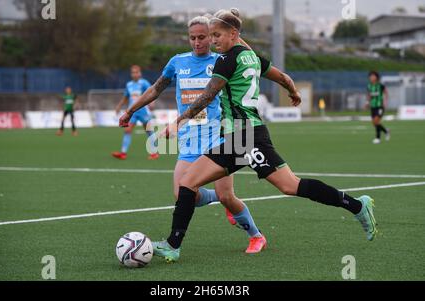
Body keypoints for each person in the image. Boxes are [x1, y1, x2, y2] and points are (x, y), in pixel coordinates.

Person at [120, 8, 378, 263]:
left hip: (249, 137)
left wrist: (178, 121)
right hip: (234, 139)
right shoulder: (253, 57)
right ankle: (173, 245)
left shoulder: (225, 60)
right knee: (188, 183)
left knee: (290, 186)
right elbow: (284, 76)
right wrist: (293, 91)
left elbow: (209, 95)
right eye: (210, 35)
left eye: (216, 35)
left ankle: (356, 205)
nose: (212, 40)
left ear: (232, 34)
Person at [119, 16, 267, 254]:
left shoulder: (223, 60)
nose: (197, 42)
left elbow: (253, 60)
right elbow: (156, 88)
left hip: (221, 137)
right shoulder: (178, 62)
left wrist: (235, 32)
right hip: (190, 140)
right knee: (182, 194)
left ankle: (256, 236)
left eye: (202, 37)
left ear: (212, 36)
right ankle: (215, 200)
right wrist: (130, 110)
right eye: (193, 38)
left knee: (227, 196)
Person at [112, 65, 159, 160]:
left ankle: (154, 153)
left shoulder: (144, 83)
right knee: (127, 130)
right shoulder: (129, 84)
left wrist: (152, 103)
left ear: (140, 73)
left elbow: (152, 92)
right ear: (131, 74)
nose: (135, 74)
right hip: (132, 112)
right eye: (133, 72)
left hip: (143, 111)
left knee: (149, 131)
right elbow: (126, 97)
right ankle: (123, 153)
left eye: (137, 72)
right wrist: (119, 106)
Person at [367, 71, 390, 144]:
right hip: (373, 106)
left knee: (376, 121)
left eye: (373, 76)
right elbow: (369, 95)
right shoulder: (369, 86)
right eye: (370, 76)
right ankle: (386, 131)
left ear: (376, 77)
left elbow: (386, 93)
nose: (371, 77)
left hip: (380, 106)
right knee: (374, 123)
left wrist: (385, 102)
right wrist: (367, 102)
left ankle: (378, 138)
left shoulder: (380, 85)